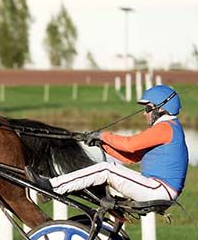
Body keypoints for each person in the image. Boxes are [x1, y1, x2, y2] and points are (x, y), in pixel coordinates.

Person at [30, 84, 189, 202]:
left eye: (147, 108)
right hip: (156, 187)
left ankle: (52, 186)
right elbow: (131, 157)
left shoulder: (166, 128)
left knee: (106, 169)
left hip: (158, 189)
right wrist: (101, 144)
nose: (144, 113)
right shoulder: (167, 129)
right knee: (108, 168)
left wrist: (103, 135)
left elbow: (129, 144)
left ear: (161, 109)